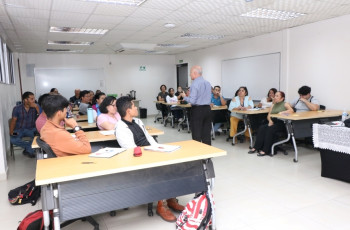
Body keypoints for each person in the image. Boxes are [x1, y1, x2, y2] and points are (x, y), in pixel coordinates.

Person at [115, 96, 184, 223]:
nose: (136, 107)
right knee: (161, 170)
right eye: (134, 106)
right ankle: (161, 205)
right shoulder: (120, 128)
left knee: (174, 165)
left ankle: (170, 199)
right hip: (139, 159)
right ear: (128, 110)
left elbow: (149, 139)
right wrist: (152, 155)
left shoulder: (137, 121)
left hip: (150, 153)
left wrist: (160, 149)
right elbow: (132, 151)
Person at [248, 91, 294, 156]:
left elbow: (291, 111)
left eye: (277, 96)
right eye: (275, 95)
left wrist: (283, 112)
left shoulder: (285, 104)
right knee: (262, 128)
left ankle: (265, 150)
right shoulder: (273, 105)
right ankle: (256, 147)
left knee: (270, 129)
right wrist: (270, 121)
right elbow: (269, 115)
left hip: (282, 123)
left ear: (282, 98)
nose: (275, 97)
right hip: (273, 121)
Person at [180, 65, 212, 145]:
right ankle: (208, 155)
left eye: (190, 73)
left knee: (196, 133)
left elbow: (193, 101)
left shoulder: (194, 84)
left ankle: (199, 155)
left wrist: (185, 97)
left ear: (194, 73)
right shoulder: (208, 83)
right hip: (207, 109)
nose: (189, 75)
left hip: (197, 110)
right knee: (206, 133)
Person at [10, 91, 39, 158]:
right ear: (25, 100)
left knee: (38, 137)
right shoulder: (17, 108)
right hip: (19, 130)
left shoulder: (35, 107)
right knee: (13, 140)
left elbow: (42, 116)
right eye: (31, 99)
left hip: (32, 129)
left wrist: (37, 107)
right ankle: (29, 149)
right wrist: (11, 131)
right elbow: (13, 121)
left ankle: (29, 150)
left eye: (34, 98)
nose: (33, 100)